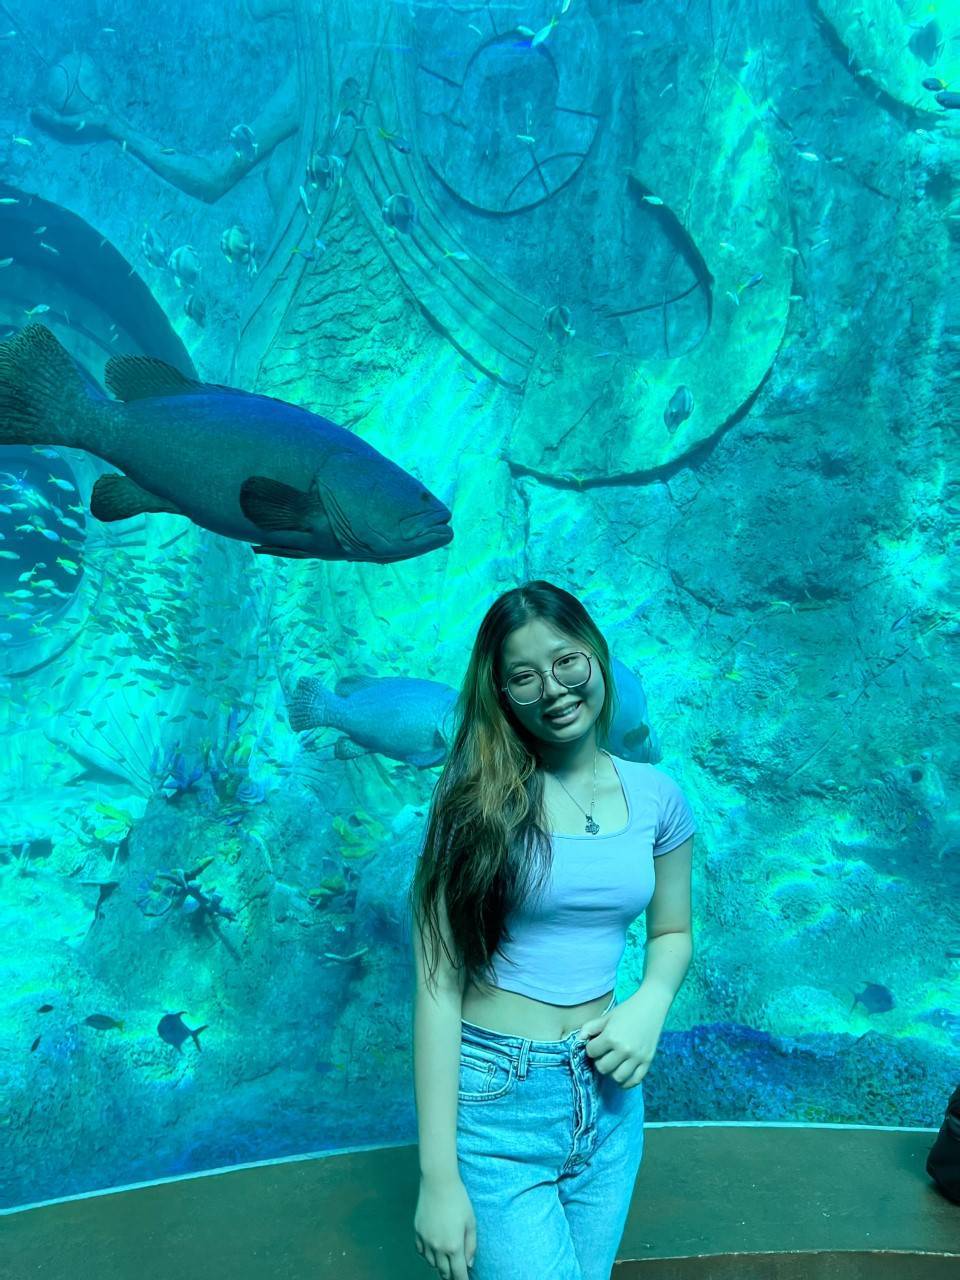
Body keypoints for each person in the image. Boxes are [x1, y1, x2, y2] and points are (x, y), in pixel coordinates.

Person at [409, 580, 697, 1280]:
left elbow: (671, 931)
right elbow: (437, 989)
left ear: (595, 654)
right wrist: (437, 1179)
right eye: (525, 676)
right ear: (502, 693)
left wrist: (650, 1003)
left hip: (610, 1097)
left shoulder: (659, 797)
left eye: (567, 661)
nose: (554, 689)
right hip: (497, 1103)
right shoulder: (470, 805)